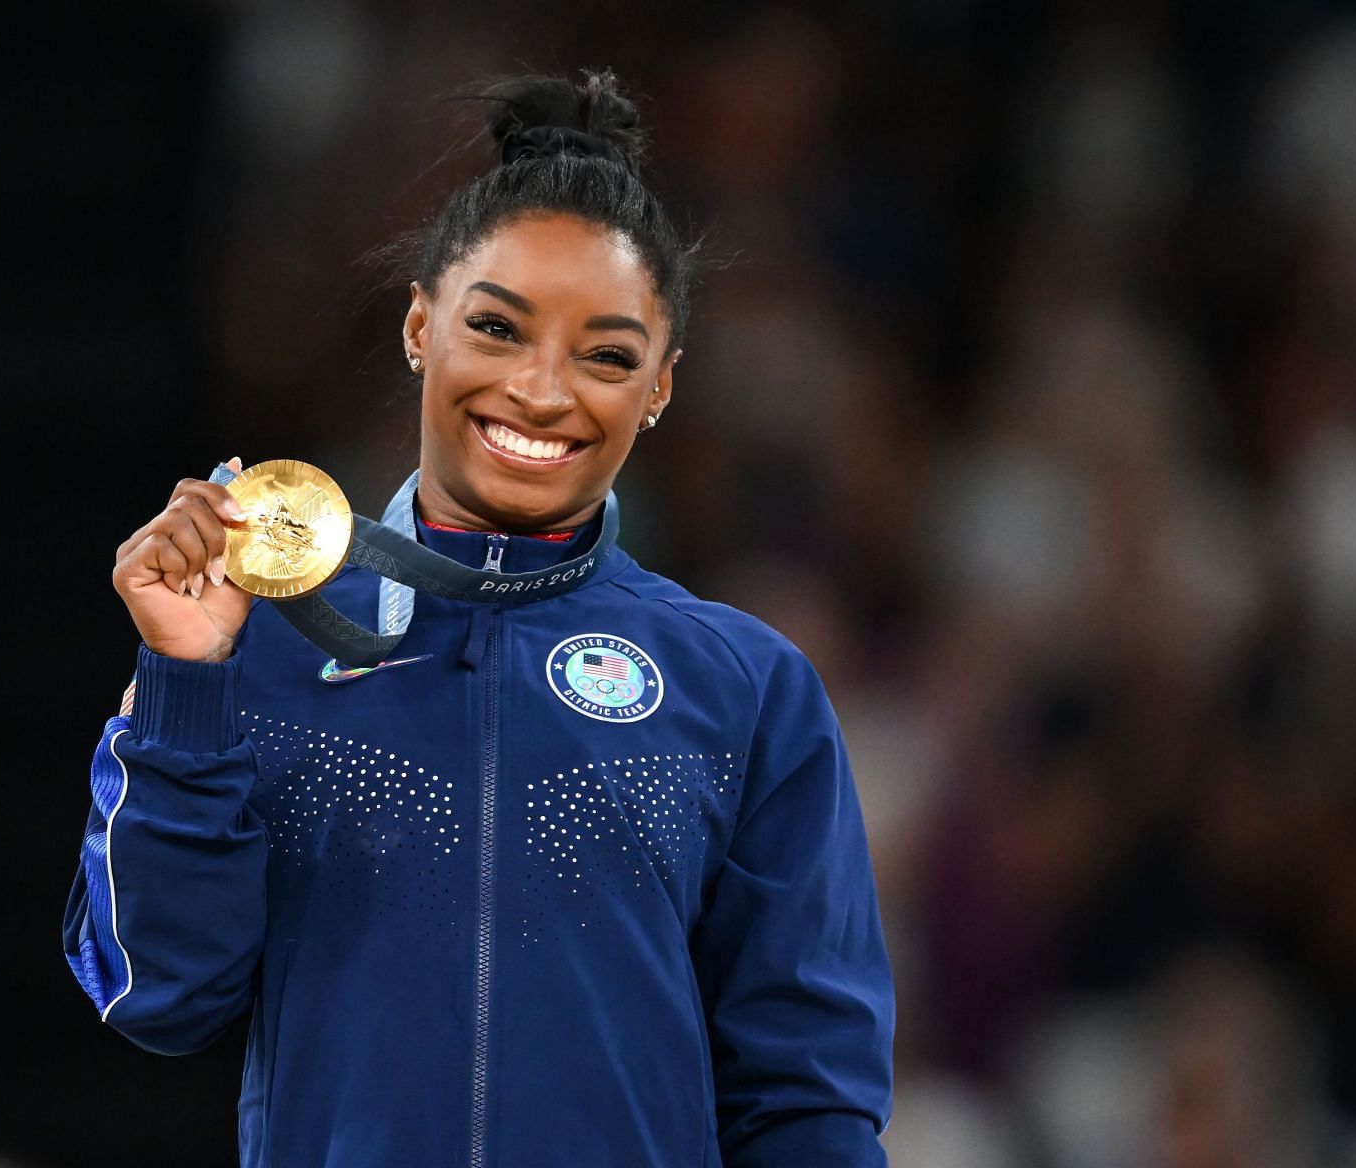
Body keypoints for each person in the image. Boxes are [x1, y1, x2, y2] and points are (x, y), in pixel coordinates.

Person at [62, 69, 895, 1168]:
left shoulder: (743, 688)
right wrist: (182, 680)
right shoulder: (255, 638)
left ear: (660, 389)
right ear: (420, 324)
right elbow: (155, 989)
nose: (543, 392)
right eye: (498, 328)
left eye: (606, 354)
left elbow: (809, 1102)